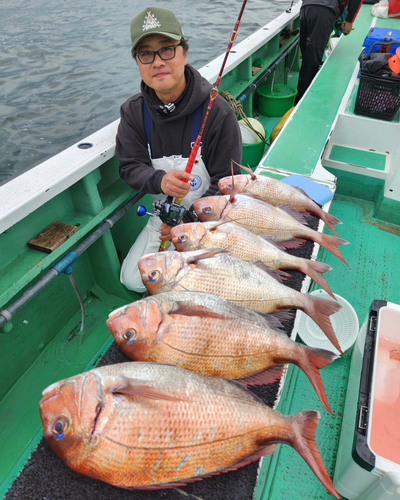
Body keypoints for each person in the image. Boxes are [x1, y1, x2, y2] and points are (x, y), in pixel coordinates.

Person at [116, 6, 242, 292]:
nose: (157, 62)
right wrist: (159, 181)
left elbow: (227, 184)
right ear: (138, 63)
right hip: (164, 218)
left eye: (167, 49)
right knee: (135, 281)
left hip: (209, 221)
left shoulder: (218, 113)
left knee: (215, 282)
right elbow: (129, 166)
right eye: (146, 54)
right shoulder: (133, 112)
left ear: (184, 53)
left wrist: (187, 224)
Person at [294, 0, 363, 105]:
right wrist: (349, 20)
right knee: (312, 59)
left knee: (307, 54)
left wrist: (338, 24)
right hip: (324, 9)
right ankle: (302, 103)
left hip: (306, 8)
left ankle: (301, 96)